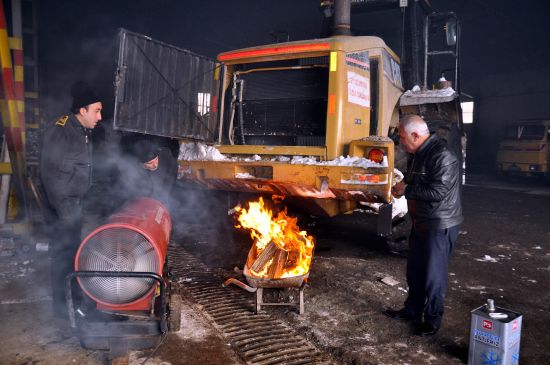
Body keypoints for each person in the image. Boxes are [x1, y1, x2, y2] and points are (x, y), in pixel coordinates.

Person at [384, 114, 463, 336]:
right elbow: (413, 178)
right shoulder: (417, 153)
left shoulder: (442, 156)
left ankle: (432, 320)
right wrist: (402, 183)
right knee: (415, 271)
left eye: (402, 137)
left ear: (416, 135)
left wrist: (406, 191)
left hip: (439, 224)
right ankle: (412, 310)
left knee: (433, 276)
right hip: (422, 222)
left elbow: (437, 192)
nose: (400, 142)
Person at [40, 81, 102, 317]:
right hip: (62, 209)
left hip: (73, 207)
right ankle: (64, 309)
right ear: (82, 110)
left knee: (73, 254)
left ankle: (73, 302)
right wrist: (66, 213)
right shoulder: (61, 131)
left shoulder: (81, 131)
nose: (99, 116)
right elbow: (51, 176)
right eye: (96, 110)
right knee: (64, 257)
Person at [131, 139, 178, 208]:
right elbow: (138, 190)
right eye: (150, 163)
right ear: (142, 165)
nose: (154, 165)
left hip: (166, 191)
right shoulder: (137, 170)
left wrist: (164, 196)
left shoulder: (166, 156)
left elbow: (171, 178)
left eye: (155, 160)